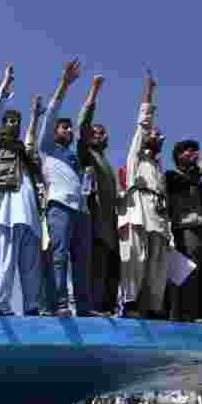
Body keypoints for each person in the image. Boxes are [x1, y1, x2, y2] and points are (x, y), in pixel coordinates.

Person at [39, 60, 96, 317]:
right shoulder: (47, 147)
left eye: (70, 128)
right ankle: (59, 304)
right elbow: (51, 112)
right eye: (65, 127)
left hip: (81, 210)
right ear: (53, 131)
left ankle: (84, 307)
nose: (69, 130)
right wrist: (64, 84)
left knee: (82, 261)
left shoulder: (73, 158)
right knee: (59, 256)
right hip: (59, 206)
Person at [0, 64, 43, 317]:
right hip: (5, 213)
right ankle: (1, 306)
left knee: (31, 263)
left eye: (16, 121)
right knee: (4, 261)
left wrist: (34, 116)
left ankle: (32, 306)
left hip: (29, 214)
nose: (12, 124)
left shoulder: (26, 155)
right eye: (9, 120)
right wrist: (5, 85)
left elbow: (33, 137)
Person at [120, 73, 170, 319]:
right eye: (156, 134)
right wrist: (149, 95)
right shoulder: (135, 158)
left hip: (159, 214)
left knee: (157, 261)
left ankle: (153, 305)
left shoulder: (159, 167)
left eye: (160, 136)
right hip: (139, 208)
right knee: (136, 257)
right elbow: (143, 126)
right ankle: (131, 303)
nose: (158, 137)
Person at [77, 75, 122, 316]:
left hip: (110, 225)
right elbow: (83, 126)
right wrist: (93, 93)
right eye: (95, 131)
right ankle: (92, 308)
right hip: (93, 221)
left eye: (103, 132)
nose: (99, 134)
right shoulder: (87, 156)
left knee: (109, 269)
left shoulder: (106, 164)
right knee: (94, 266)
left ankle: (107, 307)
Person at [165, 138, 202, 323]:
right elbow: (186, 181)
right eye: (187, 151)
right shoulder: (172, 176)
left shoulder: (200, 181)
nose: (192, 153)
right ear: (178, 156)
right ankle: (188, 315)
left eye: (194, 150)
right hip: (186, 229)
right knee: (189, 271)